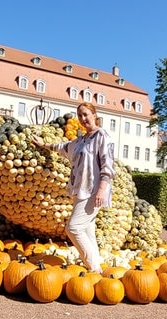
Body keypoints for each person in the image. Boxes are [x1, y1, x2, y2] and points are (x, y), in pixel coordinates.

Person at [32, 102, 115, 273]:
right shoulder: (80, 140)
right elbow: (62, 147)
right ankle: (96, 267)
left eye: (86, 114)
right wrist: (43, 144)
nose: (83, 119)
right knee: (87, 230)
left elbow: (108, 165)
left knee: (73, 228)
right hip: (82, 190)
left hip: (94, 191)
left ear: (94, 114)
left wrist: (101, 190)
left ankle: (93, 268)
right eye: (80, 116)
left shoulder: (102, 136)